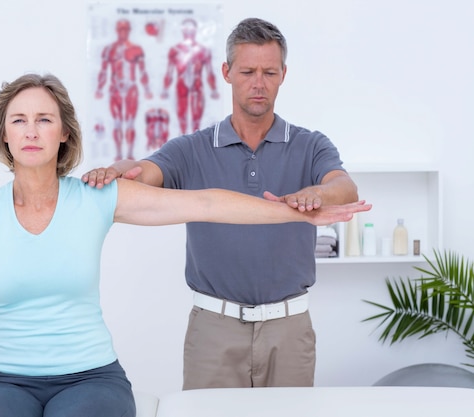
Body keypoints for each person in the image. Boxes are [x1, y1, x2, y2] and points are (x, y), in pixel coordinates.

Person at [0, 73, 369, 417]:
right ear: (5, 136)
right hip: (3, 380)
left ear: (64, 133)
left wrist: (298, 211)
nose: (31, 130)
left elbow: (205, 203)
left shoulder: (95, 197)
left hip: (89, 379)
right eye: (19, 120)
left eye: (44, 119)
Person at [82, 17, 360, 390]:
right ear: (226, 72)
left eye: (269, 72)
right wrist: (118, 168)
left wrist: (318, 195)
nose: (258, 83)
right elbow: (144, 173)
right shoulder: (192, 148)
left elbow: (344, 186)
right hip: (213, 329)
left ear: (283, 74)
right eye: (247, 71)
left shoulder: (310, 145)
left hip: (290, 329)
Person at [95, 18, 153, 161]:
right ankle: (119, 154)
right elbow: (103, 71)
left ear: (129, 31)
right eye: (120, 29)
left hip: (131, 89)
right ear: (117, 30)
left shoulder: (136, 50)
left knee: (130, 123)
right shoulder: (109, 50)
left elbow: (142, 71)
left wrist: (146, 89)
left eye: (125, 29)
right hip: (115, 89)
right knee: (117, 123)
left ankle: (130, 154)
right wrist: (99, 88)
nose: (123, 32)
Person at [160, 18, 219, 135]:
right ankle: (183, 145)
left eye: (190, 29)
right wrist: (165, 89)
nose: (188, 31)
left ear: (195, 30)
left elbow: (209, 72)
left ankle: (193, 145)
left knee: (196, 119)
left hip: (197, 85)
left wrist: (213, 89)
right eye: (186, 29)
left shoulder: (203, 50)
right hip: (181, 84)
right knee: (182, 117)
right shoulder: (175, 50)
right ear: (182, 30)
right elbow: (169, 72)